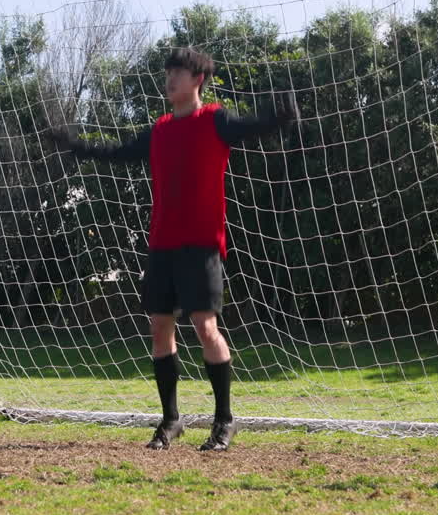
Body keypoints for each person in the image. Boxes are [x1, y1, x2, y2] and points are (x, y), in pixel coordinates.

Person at [50, 47, 298, 451]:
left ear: (197, 79)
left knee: (205, 326)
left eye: (178, 72)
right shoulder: (160, 129)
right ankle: (170, 421)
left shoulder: (214, 119)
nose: (169, 80)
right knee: (159, 328)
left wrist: (279, 117)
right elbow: (118, 153)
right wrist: (75, 145)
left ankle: (224, 421)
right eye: (167, 73)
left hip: (202, 246)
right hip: (162, 245)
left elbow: (250, 127)